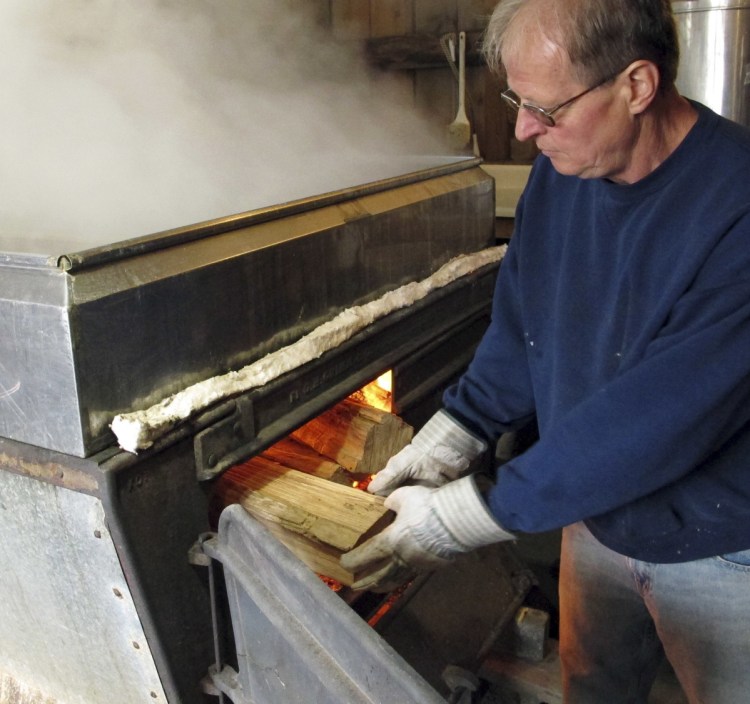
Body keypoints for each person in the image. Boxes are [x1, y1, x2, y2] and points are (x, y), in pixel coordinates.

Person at [340, 0, 750, 701]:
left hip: (720, 545)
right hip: (590, 516)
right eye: (516, 102)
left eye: (546, 111)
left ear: (637, 86)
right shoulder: (564, 177)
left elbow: (655, 421)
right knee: (591, 689)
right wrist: (455, 432)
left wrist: (468, 516)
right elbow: (525, 328)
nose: (526, 131)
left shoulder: (737, 204)